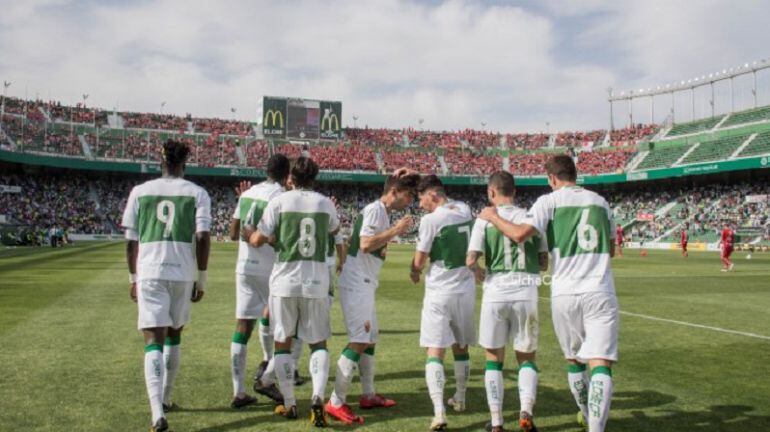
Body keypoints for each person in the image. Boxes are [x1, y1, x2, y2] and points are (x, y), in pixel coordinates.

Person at [479, 155, 619, 432]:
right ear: (574, 174)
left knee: (574, 360)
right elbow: (611, 249)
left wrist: (493, 216)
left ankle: (586, 414)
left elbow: (519, 234)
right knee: (600, 363)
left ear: (552, 179)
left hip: (565, 292)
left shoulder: (548, 201)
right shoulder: (601, 203)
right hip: (600, 288)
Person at [121, 140, 211, 432]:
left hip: (150, 271)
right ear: (185, 164)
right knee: (174, 334)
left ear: (161, 162)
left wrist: (133, 278)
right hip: (182, 272)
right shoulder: (198, 193)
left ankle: (157, 412)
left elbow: (131, 241)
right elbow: (202, 237)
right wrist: (202, 277)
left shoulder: (140, 192)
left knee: (153, 340)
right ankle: (168, 397)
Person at [244, 156, 339, 427]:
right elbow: (334, 230)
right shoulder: (325, 203)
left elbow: (257, 239)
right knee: (318, 343)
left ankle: (289, 403)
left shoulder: (279, 202)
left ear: (291, 179)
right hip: (316, 282)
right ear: (314, 178)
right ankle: (318, 397)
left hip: (284, 282)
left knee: (282, 343)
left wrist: (250, 230)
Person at [325, 170, 420, 425]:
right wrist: (396, 230)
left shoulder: (381, 211)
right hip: (357, 284)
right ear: (394, 192)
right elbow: (366, 243)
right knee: (359, 340)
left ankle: (367, 395)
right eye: (408, 194)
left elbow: (370, 247)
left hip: (364, 283)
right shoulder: (377, 210)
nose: (410, 200)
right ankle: (336, 401)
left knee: (370, 339)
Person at [466, 171, 548, 432]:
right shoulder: (532, 217)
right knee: (526, 357)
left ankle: (497, 421)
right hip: (526, 291)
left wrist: (478, 270)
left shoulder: (485, 220)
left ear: (492, 192)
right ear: (515, 192)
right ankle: (526, 410)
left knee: (493, 359)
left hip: (496, 292)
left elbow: (470, 260)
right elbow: (544, 261)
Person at [410, 174, 476, 432]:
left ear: (433, 195)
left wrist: (413, 271)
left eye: (421, 198)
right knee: (461, 346)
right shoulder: (465, 209)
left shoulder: (430, 220)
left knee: (435, 350)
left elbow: (419, 260)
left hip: (440, 290)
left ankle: (439, 412)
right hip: (465, 288)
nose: (420, 204)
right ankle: (460, 397)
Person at [227, 154, 290, 409]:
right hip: (269, 268)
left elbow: (233, 233)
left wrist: (249, 233)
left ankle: (238, 392)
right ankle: (268, 376)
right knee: (284, 325)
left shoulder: (247, 193)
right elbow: (279, 238)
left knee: (243, 326)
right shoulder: (280, 197)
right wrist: (262, 237)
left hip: (244, 266)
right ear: (286, 175)